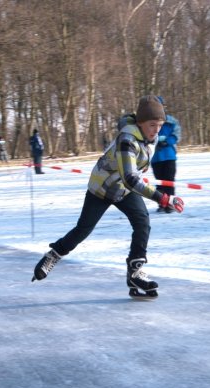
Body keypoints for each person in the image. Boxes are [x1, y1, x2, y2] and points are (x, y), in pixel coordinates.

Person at [31, 95, 184, 300]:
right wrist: (163, 199)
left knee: (142, 223)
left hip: (123, 190)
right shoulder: (127, 140)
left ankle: (135, 273)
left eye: (160, 125)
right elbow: (130, 178)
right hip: (102, 189)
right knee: (83, 229)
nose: (156, 130)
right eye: (152, 124)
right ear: (140, 123)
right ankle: (53, 255)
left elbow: (131, 177)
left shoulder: (151, 137)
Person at [151, 96, 181, 213]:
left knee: (169, 181)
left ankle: (170, 204)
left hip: (169, 156)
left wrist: (167, 142)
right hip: (155, 158)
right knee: (159, 182)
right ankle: (162, 204)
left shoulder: (171, 121)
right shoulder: (148, 123)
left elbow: (177, 135)